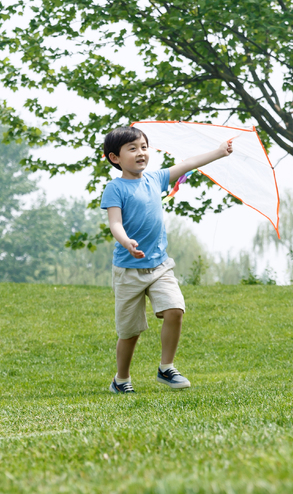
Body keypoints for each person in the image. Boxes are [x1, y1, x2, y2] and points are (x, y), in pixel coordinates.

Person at [101, 125, 232, 393]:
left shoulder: (155, 179)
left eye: (144, 147)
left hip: (160, 265)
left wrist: (219, 152)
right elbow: (115, 223)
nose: (141, 153)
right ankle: (121, 380)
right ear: (115, 158)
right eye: (133, 149)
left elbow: (188, 163)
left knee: (175, 309)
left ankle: (166, 368)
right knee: (129, 332)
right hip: (128, 270)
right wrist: (126, 242)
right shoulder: (115, 188)